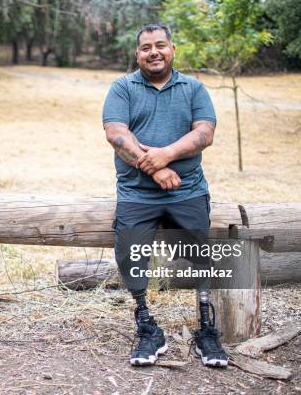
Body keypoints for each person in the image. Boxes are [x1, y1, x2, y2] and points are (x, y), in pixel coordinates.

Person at [102, 23, 229, 367]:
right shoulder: (123, 87)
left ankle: (206, 328)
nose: (153, 52)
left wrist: (167, 154)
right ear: (137, 54)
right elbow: (116, 134)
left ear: (173, 49)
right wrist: (156, 168)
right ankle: (146, 325)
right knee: (129, 252)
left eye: (161, 45)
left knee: (200, 254)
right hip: (136, 192)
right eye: (146, 48)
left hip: (187, 190)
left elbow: (205, 133)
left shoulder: (194, 88)